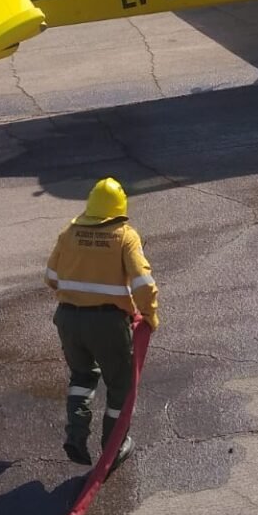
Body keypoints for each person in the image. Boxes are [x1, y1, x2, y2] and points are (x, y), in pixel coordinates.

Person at [45, 177, 159, 467]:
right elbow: (144, 284)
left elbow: (51, 278)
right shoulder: (125, 235)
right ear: (120, 209)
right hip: (108, 324)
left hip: (68, 319)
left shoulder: (69, 232)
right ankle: (114, 445)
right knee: (120, 385)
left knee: (82, 377)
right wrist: (150, 315)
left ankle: (76, 434)